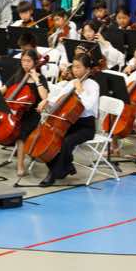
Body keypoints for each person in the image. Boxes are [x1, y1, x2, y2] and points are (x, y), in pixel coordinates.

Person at [37, 53, 100, 187]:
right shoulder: (71, 83)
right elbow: (59, 98)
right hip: (69, 123)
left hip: (86, 126)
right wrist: (46, 101)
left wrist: (80, 90)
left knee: (66, 141)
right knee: (52, 138)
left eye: (78, 67)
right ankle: (66, 166)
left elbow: (89, 105)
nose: (75, 70)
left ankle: (53, 174)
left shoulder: (93, 85)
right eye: (74, 67)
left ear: (88, 69)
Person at [3, 50, 49, 177]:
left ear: (35, 62)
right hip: (16, 112)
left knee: (21, 133)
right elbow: (4, 89)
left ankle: (20, 166)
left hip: (32, 114)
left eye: (28, 61)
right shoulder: (18, 75)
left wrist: (36, 79)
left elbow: (45, 96)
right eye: (23, 61)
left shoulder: (40, 78)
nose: (25, 64)